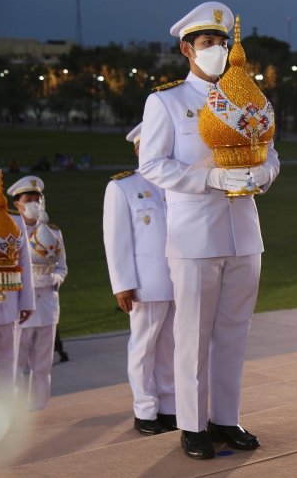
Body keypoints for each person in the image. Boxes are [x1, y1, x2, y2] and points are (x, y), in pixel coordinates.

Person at [139, 2, 280, 459]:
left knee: (235, 332)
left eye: (222, 41)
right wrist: (208, 178)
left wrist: (262, 175)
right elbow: (152, 164)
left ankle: (225, 417)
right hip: (195, 234)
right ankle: (192, 425)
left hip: (244, 231)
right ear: (187, 49)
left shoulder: (246, 95)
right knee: (194, 335)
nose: (217, 49)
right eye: (207, 42)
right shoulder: (166, 102)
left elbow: (271, 153)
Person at [104, 124, 177, 437]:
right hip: (146, 283)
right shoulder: (123, 186)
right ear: (137, 150)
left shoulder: (177, 182)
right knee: (144, 347)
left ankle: (169, 407)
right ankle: (145, 410)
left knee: (171, 347)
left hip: (180, 280)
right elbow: (116, 240)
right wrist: (122, 283)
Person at [9, 176, 67, 411]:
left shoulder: (52, 232)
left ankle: (39, 407)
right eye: (28, 200)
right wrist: (30, 280)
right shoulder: (10, 233)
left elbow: (62, 268)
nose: (35, 204)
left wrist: (54, 279)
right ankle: (14, 408)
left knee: (43, 365)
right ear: (17, 204)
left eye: (38, 199)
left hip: (47, 307)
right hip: (21, 308)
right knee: (15, 364)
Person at [0, 172, 34, 394]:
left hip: (7, 303)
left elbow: (25, 263)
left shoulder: (15, 220)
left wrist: (27, 302)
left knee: (6, 361)